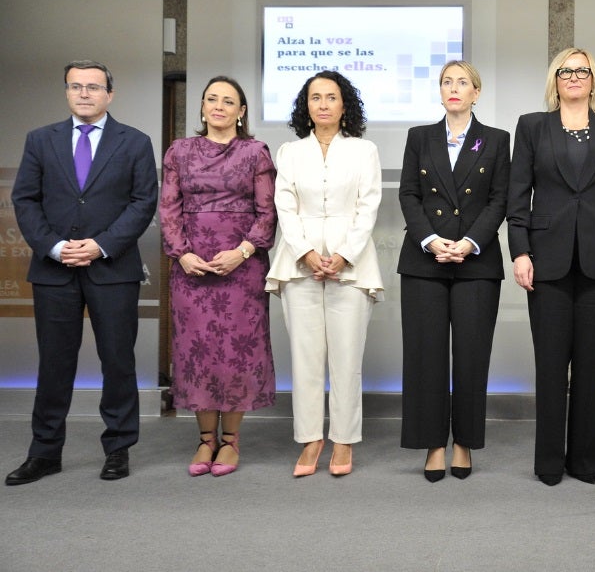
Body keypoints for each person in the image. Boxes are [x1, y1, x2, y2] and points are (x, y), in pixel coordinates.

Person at [6, 60, 158, 485]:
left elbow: (143, 202)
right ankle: (44, 453)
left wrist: (102, 244)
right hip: (54, 270)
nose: (85, 93)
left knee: (117, 361)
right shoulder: (40, 140)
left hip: (112, 267)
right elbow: (26, 201)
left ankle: (118, 449)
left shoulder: (135, 142)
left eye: (94, 87)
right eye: (76, 86)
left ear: (110, 93)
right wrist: (54, 247)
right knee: (54, 364)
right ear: (67, 92)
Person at [508, 48, 595, 486]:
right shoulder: (532, 125)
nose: (574, 77)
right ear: (555, 79)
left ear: (593, 79)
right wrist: (520, 251)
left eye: (582, 71)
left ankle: (585, 461)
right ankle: (548, 462)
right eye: (566, 71)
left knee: (591, 363)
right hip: (547, 259)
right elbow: (518, 194)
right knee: (550, 362)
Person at [266, 70, 383, 478]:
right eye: (315, 97)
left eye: (331, 97)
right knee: (306, 358)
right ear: (307, 106)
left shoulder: (365, 150)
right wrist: (306, 252)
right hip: (300, 265)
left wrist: (344, 254)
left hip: (352, 266)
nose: (323, 104)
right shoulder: (289, 152)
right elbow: (285, 205)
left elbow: (369, 205)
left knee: (347, 359)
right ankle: (310, 439)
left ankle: (344, 440)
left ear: (344, 104)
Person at [398, 61, 510, 482]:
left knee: (471, 356)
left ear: (476, 92)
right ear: (439, 91)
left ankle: (463, 443)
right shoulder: (419, 137)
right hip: (424, 260)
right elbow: (409, 194)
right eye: (447, 81)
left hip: (476, 260)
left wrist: (468, 243)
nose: (454, 88)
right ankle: (431, 444)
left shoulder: (496, 140)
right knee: (425, 358)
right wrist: (430, 240)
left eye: (463, 82)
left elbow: (500, 200)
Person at [160, 76, 278, 477]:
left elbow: (268, 213)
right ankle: (204, 439)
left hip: (241, 269)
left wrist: (244, 251)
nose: (219, 107)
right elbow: (169, 209)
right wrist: (182, 254)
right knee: (197, 351)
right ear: (202, 106)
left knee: (236, 354)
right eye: (212, 99)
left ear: (241, 111)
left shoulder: (255, 152)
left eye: (229, 101)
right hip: (192, 268)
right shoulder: (179, 151)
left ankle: (230, 441)